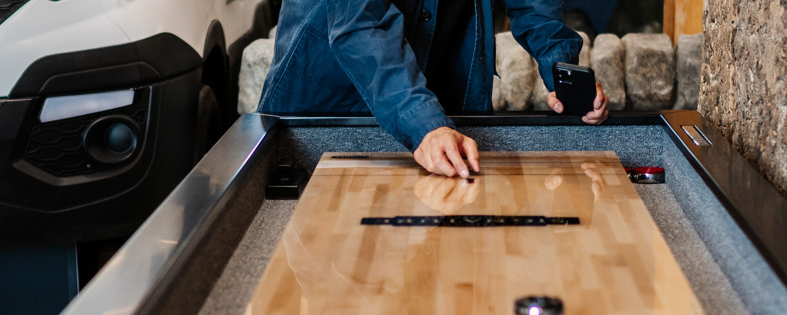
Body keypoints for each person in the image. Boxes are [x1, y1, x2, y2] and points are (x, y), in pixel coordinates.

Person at [259, 0, 608, 178]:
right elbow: (362, 25)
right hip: (329, 108)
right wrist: (423, 123)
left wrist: (562, 71)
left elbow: (534, 2)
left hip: (437, 111)